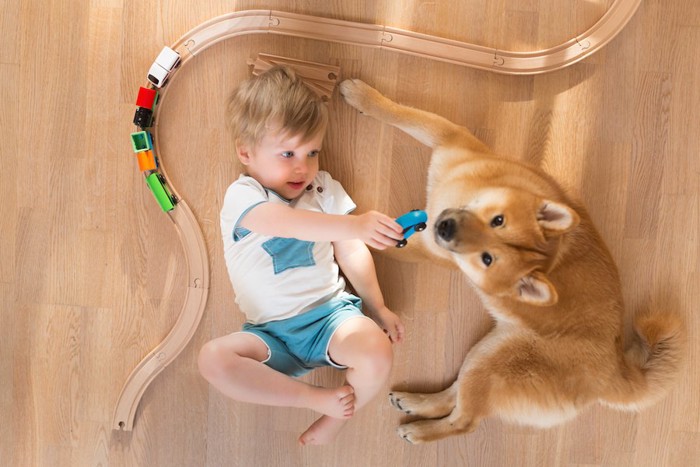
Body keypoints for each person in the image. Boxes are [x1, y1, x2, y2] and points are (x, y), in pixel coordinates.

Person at [197, 65, 406, 446]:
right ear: (246, 152)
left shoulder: (323, 188)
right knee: (212, 359)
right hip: (270, 333)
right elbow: (283, 223)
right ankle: (316, 400)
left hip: (331, 317)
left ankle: (336, 420)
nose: (303, 167)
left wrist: (378, 306)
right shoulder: (244, 196)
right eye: (288, 153)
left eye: (312, 152)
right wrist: (355, 224)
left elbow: (350, 250)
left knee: (377, 351)